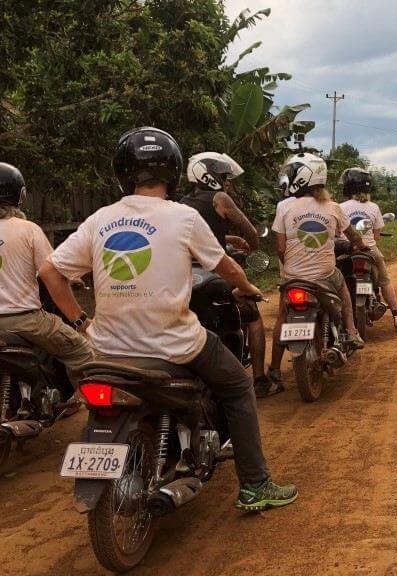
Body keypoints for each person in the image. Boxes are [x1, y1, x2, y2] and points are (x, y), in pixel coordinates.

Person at [38, 127, 297, 512]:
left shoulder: (99, 220)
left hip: (106, 351)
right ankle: (255, 484)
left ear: (123, 171)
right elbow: (225, 267)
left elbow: (49, 271)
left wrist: (80, 323)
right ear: (172, 172)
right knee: (239, 386)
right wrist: (245, 288)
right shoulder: (184, 217)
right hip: (175, 344)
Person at [0, 162, 92, 386]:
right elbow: (50, 270)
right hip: (24, 321)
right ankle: (95, 413)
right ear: (19, 194)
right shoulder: (27, 229)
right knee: (82, 352)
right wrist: (72, 280)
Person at [180, 152, 279, 397]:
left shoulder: (181, 202)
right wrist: (252, 246)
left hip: (182, 276)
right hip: (214, 273)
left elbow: (199, 234)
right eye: (224, 177)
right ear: (209, 176)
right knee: (253, 316)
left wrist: (228, 238)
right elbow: (250, 230)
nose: (227, 182)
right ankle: (260, 380)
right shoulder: (220, 199)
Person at [267, 153, 368, 384]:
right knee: (343, 289)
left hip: (293, 279)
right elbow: (353, 236)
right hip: (325, 276)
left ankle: (273, 368)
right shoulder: (332, 207)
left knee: (283, 318)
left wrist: (292, 267)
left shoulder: (283, 207)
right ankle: (351, 332)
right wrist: (360, 245)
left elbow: (280, 248)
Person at [338, 167, 397, 331]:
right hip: (369, 251)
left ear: (348, 187)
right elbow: (376, 236)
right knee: (384, 281)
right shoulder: (374, 207)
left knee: (336, 280)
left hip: (347, 251)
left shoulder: (340, 207)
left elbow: (336, 233)